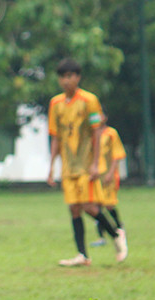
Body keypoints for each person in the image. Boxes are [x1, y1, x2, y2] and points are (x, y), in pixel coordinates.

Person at [47, 59, 127, 267]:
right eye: (62, 77)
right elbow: (55, 137)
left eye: (70, 76)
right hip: (68, 165)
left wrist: (95, 163)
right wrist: (51, 166)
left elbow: (96, 132)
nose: (66, 81)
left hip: (86, 164)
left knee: (89, 206)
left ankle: (115, 234)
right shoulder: (55, 104)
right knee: (73, 208)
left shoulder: (89, 100)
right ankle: (82, 255)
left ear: (77, 77)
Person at [90, 114, 126, 247]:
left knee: (109, 205)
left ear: (105, 117)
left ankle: (119, 229)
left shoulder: (111, 133)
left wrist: (111, 173)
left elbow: (117, 155)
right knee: (96, 206)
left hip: (108, 175)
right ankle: (101, 237)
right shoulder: (92, 134)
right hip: (95, 176)